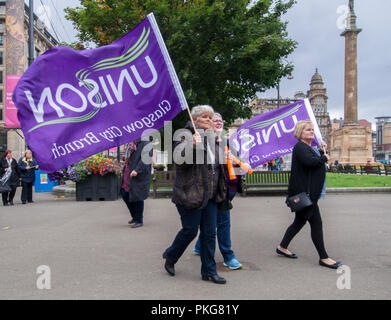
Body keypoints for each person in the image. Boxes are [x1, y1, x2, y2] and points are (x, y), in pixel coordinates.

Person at [163, 105, 228, 284]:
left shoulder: (213, 138)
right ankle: (171, 255)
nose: (210, 120)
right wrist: (193, 144)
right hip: (190, 194)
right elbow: (179, 161)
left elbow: (217, 165)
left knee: (209, 234)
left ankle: (209, 271)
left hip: (211, 196)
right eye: (206, 117)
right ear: (196, 119)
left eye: (211, 117)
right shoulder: (185, 135)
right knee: (190, 231)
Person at [276, 120, 342, 269]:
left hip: (308, 194)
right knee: (316, 224)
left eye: (312, 130)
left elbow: (314, 160)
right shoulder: (300, 147)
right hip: (305, 194)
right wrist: (324, 157)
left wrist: (321, 150)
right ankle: (324, 257)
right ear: (300, 133)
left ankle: (282, 246)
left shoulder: (308, 147)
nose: (311, 132)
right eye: (308, 130)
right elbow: (311, 162)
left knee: (298, 223)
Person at [193, 112, 243, 270]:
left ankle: (199, 245)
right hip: (217, 190)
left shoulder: (228, 142)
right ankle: (228, 256)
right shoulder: (207, 142)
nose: (219, 122)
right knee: (223, 222)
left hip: (231, 188)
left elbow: (237, 162)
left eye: (221, 120)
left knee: (212, 222)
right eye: (215, 120)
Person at [120, 139, 152, 228]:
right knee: (124, 193)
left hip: (138, 173)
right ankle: (135, 216)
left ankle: (139, 220)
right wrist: (126, 157)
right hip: (128, 171)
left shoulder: (146, 143)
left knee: (138, 196)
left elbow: (146, 158)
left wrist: (137, 170)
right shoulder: (131, 143)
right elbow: (132, 156)